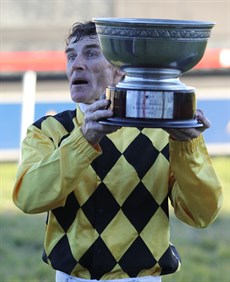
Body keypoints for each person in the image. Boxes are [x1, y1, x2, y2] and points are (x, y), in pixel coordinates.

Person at [13, 21, 223, 282]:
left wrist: (188, 147)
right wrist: (84, 140)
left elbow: (201, 214)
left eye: (91, 53)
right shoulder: (47, 130)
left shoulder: (164, 133)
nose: (76, 64)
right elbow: (28, 199)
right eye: (71, 55)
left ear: (120, 69)